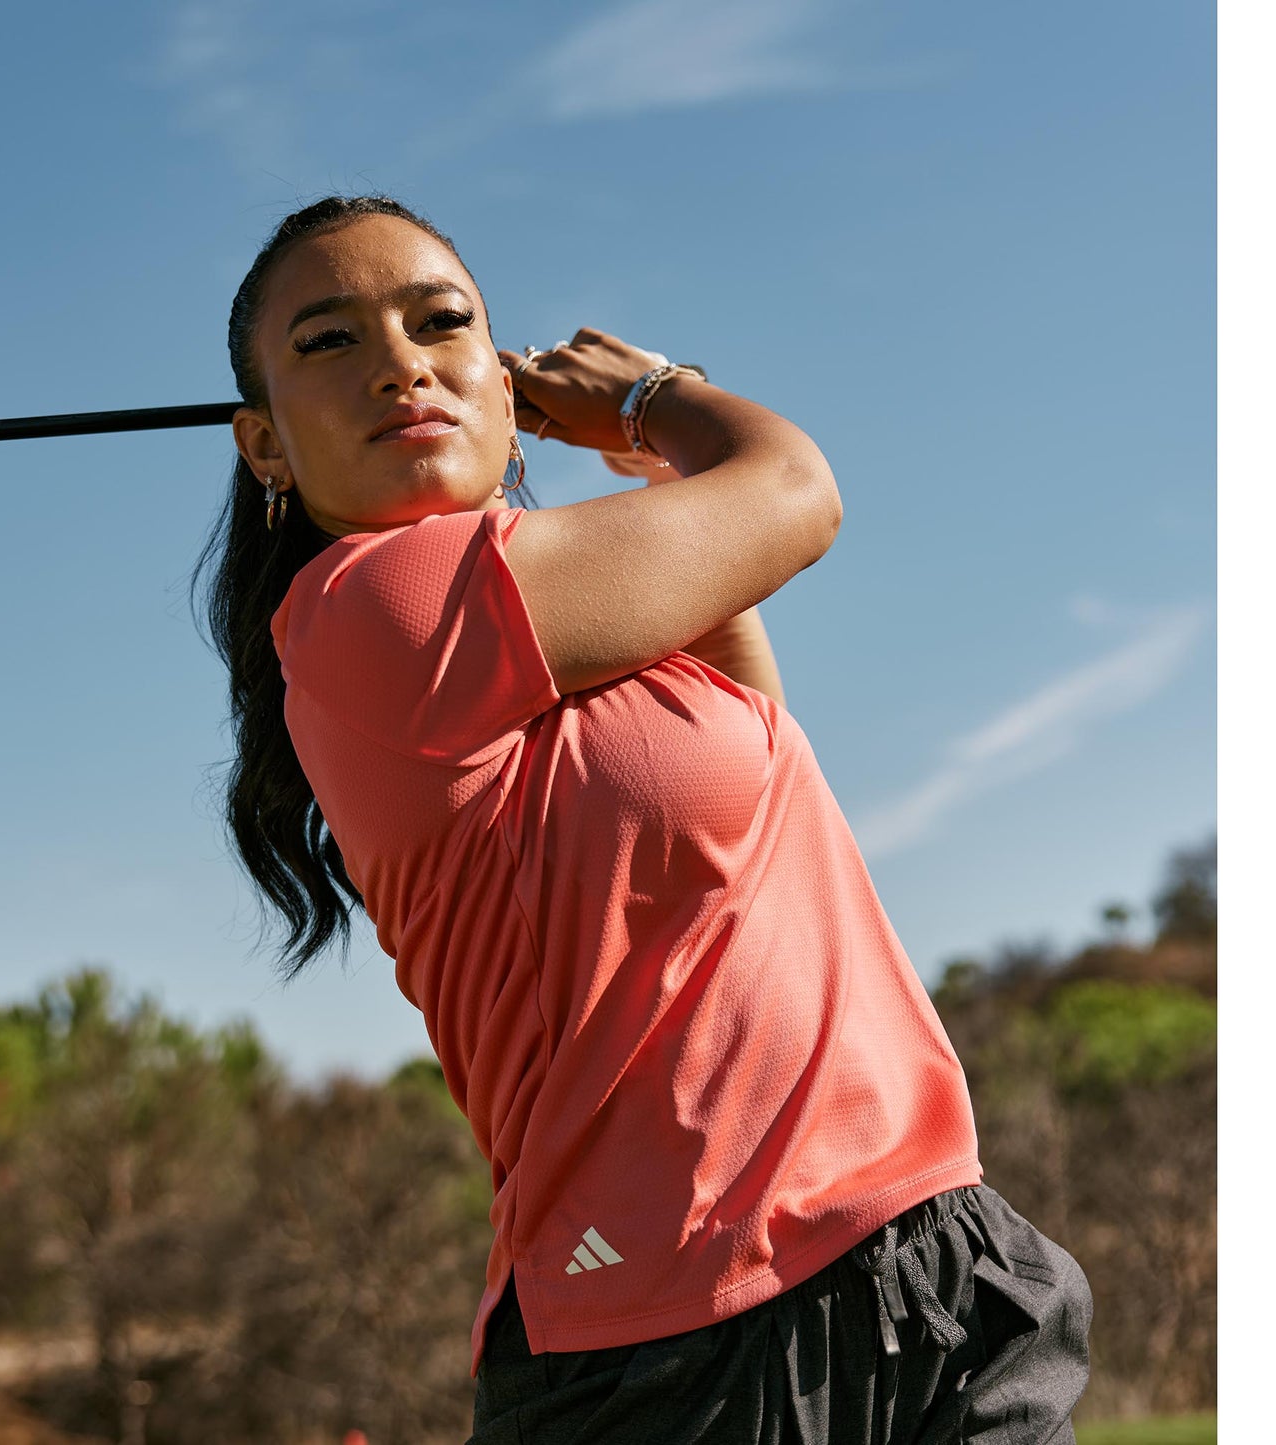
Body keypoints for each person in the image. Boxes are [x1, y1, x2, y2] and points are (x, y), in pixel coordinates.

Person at [197, 194, 1093, 1444]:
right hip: (671, 1350)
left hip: (934, 1261)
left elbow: (760, 755)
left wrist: (648, 456)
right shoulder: (367, 613)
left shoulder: (598, 625)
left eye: (439, 323)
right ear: (265, 448)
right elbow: (792, 493)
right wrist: (647, 394)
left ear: (503, 388)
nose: (400, 362)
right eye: (329, 342)